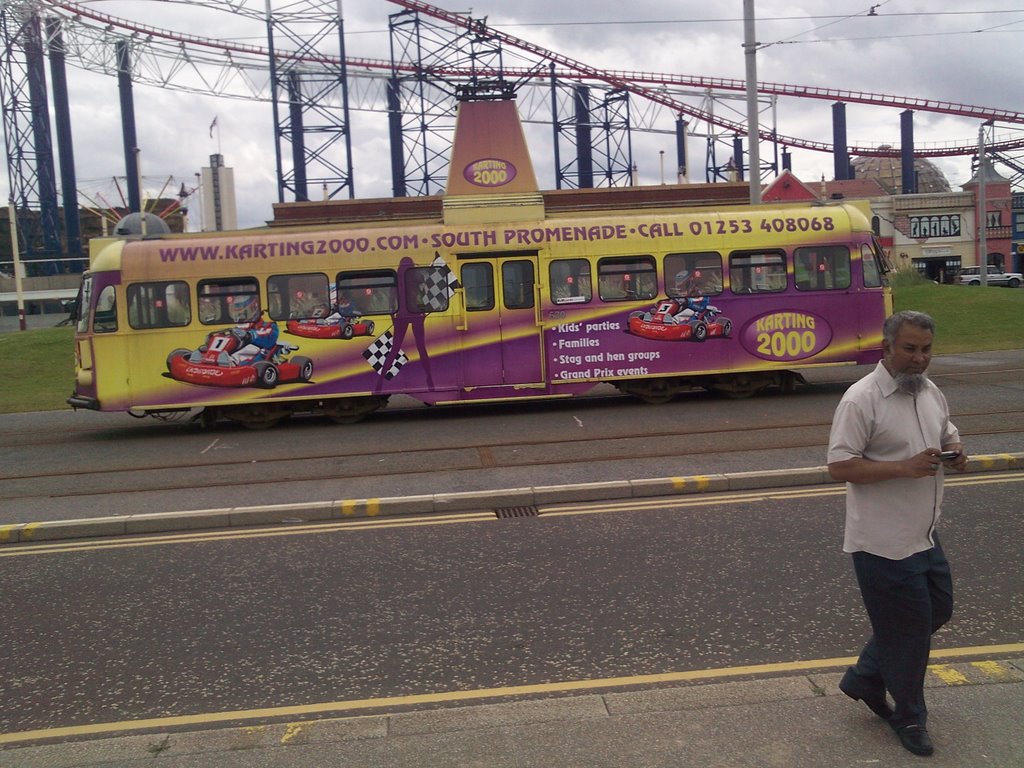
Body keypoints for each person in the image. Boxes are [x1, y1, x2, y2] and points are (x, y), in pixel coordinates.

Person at [827, 310, 967, 757]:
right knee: (907, 634)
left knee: (937, 611)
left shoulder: (929, 392)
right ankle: (908, 716)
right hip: (882, 543)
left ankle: (866, 676)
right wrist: (903, 468)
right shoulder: (860, 399)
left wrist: (956, 452)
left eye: (926, 349)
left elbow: (947, 432)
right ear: (887, 347)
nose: (919, 359)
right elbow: (840, 465)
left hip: (925, 534)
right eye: (909, 349)